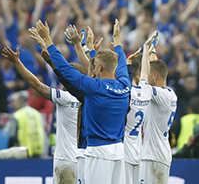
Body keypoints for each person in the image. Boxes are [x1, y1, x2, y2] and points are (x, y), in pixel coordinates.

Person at [36, 19, 130, 184]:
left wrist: (48, 40)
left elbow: (65, 69)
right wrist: (117, 41)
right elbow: (121, 62)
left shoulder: (94, 86)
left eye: (95, 66)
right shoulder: (124, 85)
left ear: (99, 68)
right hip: (120, 151)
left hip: (98, 151)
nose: (92, 69)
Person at [2, 46, 78, 182]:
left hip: (67, 159)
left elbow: (36, 85)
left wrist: (17, 63)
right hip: (84, 158)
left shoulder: (66, 98)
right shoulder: (90, 97)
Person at [138, 32, 178, 184]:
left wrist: (145, 48)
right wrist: (152, 50)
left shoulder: (160, 95)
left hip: (153, 157)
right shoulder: (169, 94)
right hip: (159, 154)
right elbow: (156, 68)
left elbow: (143, 82)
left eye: (150, 75)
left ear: (154, 76)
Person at [123, 48, 150, 184]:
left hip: (123, 154)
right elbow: (146, 73)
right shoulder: (146, 92)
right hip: (139, 152)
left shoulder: (124, 93)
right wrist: (148, 52)